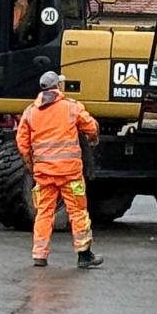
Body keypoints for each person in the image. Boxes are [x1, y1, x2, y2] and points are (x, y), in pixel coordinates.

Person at [16, 70, 103, 269]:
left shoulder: (30, 112)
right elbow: (91, 127)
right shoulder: (71, 108)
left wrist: (32, 165)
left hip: (45, 175)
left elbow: (22, 144)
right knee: (78, 212)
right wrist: (93, 139)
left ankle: (39, 254)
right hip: (70, 175)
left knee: (44, 212)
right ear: (58, 86)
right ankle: (84, 255)